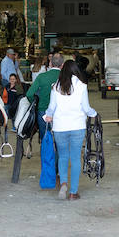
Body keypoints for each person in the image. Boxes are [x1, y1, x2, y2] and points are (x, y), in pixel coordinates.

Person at [42, 59, 98, 200]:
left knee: (63, 157)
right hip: (77, 127)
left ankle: (64, 184)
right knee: (75, 158)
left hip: (60, 127)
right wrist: (94, 114)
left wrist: (48, 116)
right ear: (75, 71)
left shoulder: (55, 87)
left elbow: (51, 108)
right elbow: (86, 108)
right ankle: (73, 192)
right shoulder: (81, 86)